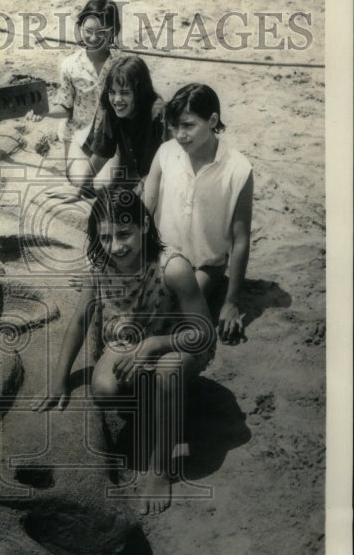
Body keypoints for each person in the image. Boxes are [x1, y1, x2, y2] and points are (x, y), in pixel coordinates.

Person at [32, 187, 215, 515]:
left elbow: (203, 333)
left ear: (144, 226)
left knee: (167, 372)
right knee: (103, 388)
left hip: (176, 342)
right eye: (105, 237)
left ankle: (160, 468)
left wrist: (155, 344)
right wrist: (60, 379)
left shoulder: (171, 268)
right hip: (126, 341)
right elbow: (79, 322)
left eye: (124, 234)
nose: (115, 246)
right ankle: (160, 405)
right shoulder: (101, 266)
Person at [142, 83, 254, 345]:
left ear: (212, 120)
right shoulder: (166, 153)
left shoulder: (238, 170)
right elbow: (144, 211)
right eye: (174, 126)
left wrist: (232, 302)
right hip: (164, 257)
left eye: (188, 125)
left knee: (177, 319)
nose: (180, 135)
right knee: (144, 314)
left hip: (206, 265)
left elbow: (240, 240)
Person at [26, 0, 121, 177]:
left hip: (111, 137)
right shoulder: (70, 65)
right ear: (80, 28)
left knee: (104, 185)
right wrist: (43, 112)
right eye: (88, 31)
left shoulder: (121, 64)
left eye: (102, 32)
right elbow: (66, 107)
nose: (93, 38)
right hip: (78, 134)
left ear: (113, 31)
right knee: (80, 181)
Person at [71, 55, 167, 198]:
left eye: (124, 93)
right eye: (112, 92)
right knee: (96, 186)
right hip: (128, 164)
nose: (116, 100)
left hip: (155, 175)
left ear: (139, 92)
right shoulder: (114, 111)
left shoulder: (158, 115)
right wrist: (80, 190)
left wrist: (140, 187)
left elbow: (167, 166)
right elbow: (101, 153)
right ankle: (76, 143)